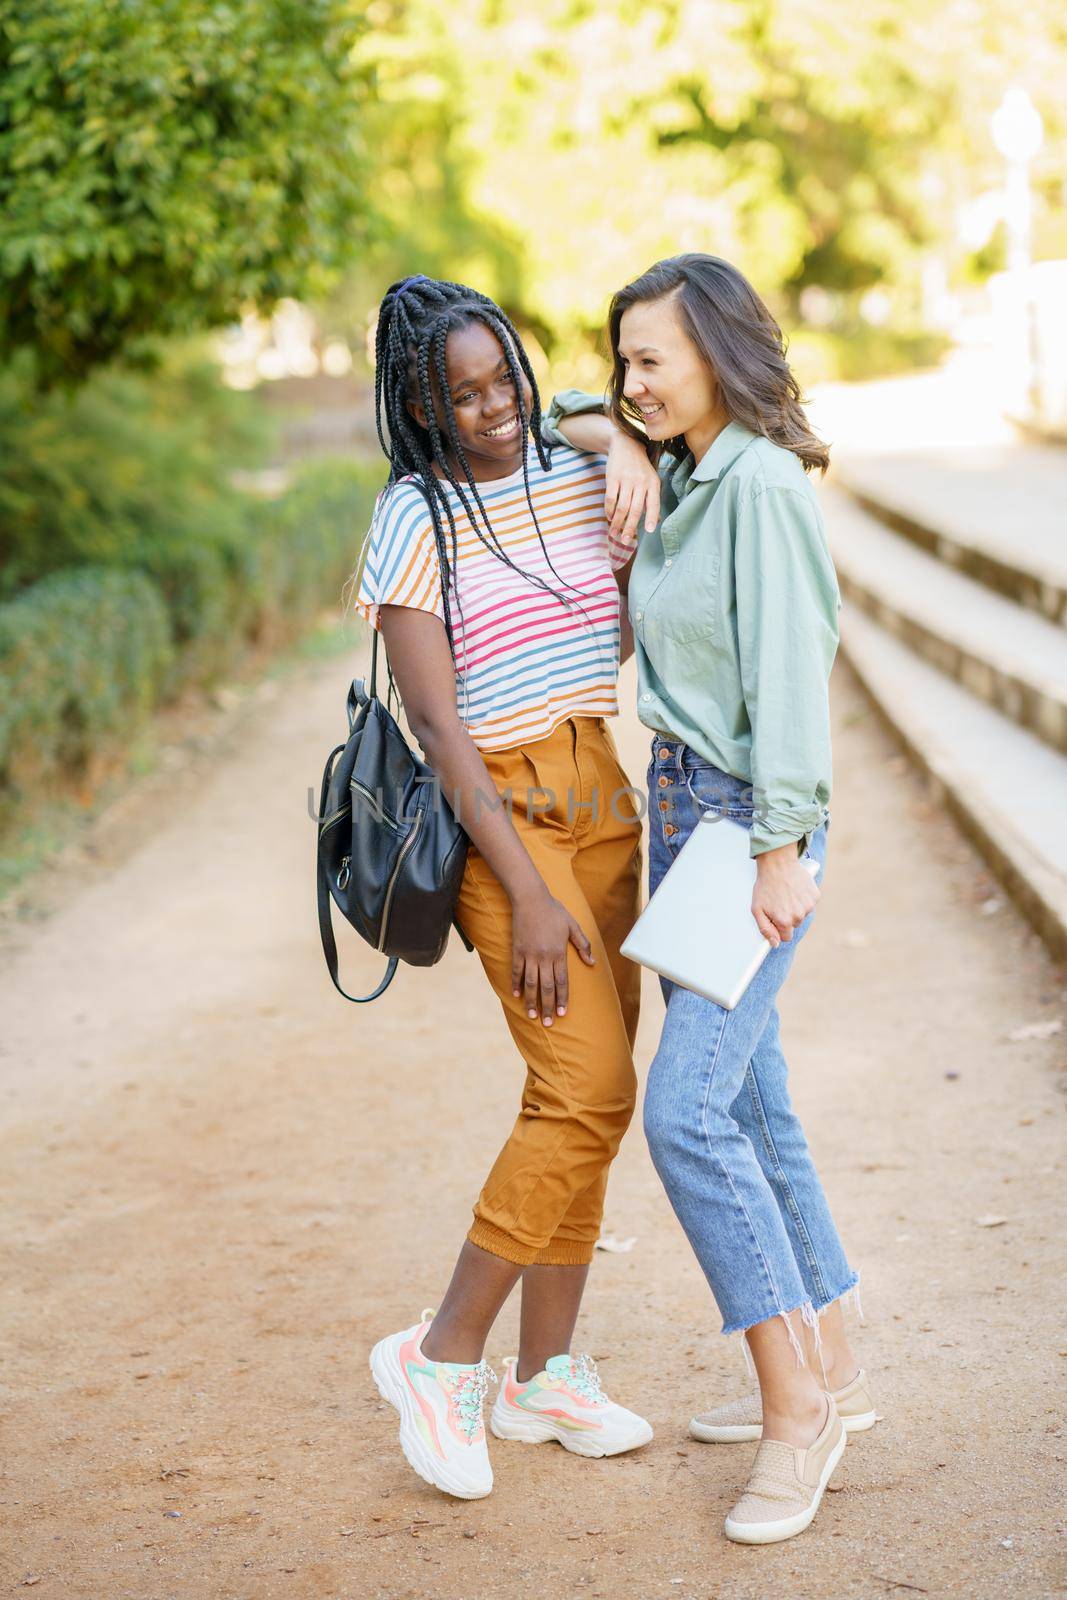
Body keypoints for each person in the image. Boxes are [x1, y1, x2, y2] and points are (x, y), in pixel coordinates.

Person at [546, 253, 875, 1546]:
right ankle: (835, 1363)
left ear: (717, 355)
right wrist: (596, 422)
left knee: (683, 1115)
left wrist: (782, 848)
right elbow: (556, 397)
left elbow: (793, 671)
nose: (630, 381)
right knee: (748, 1096)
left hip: (746, 819)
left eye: (649, 361)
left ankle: (797, 1413)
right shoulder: (679, 471)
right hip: (684, 806)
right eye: (623, 359)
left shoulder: (758, 490)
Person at [351, 275, 657, 1502]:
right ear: (416, 408)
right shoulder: (411, 520)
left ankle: (547, 1375)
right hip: (507, 828)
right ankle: (442, 1355)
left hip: (606, 797)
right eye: (456, 394)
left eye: (501, 381)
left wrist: (605, 426)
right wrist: (526, 890)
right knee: (582, 1087)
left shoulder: (578, 470)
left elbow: (622, 616)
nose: (488, 408)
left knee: (596, 1098)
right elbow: (437, 728)